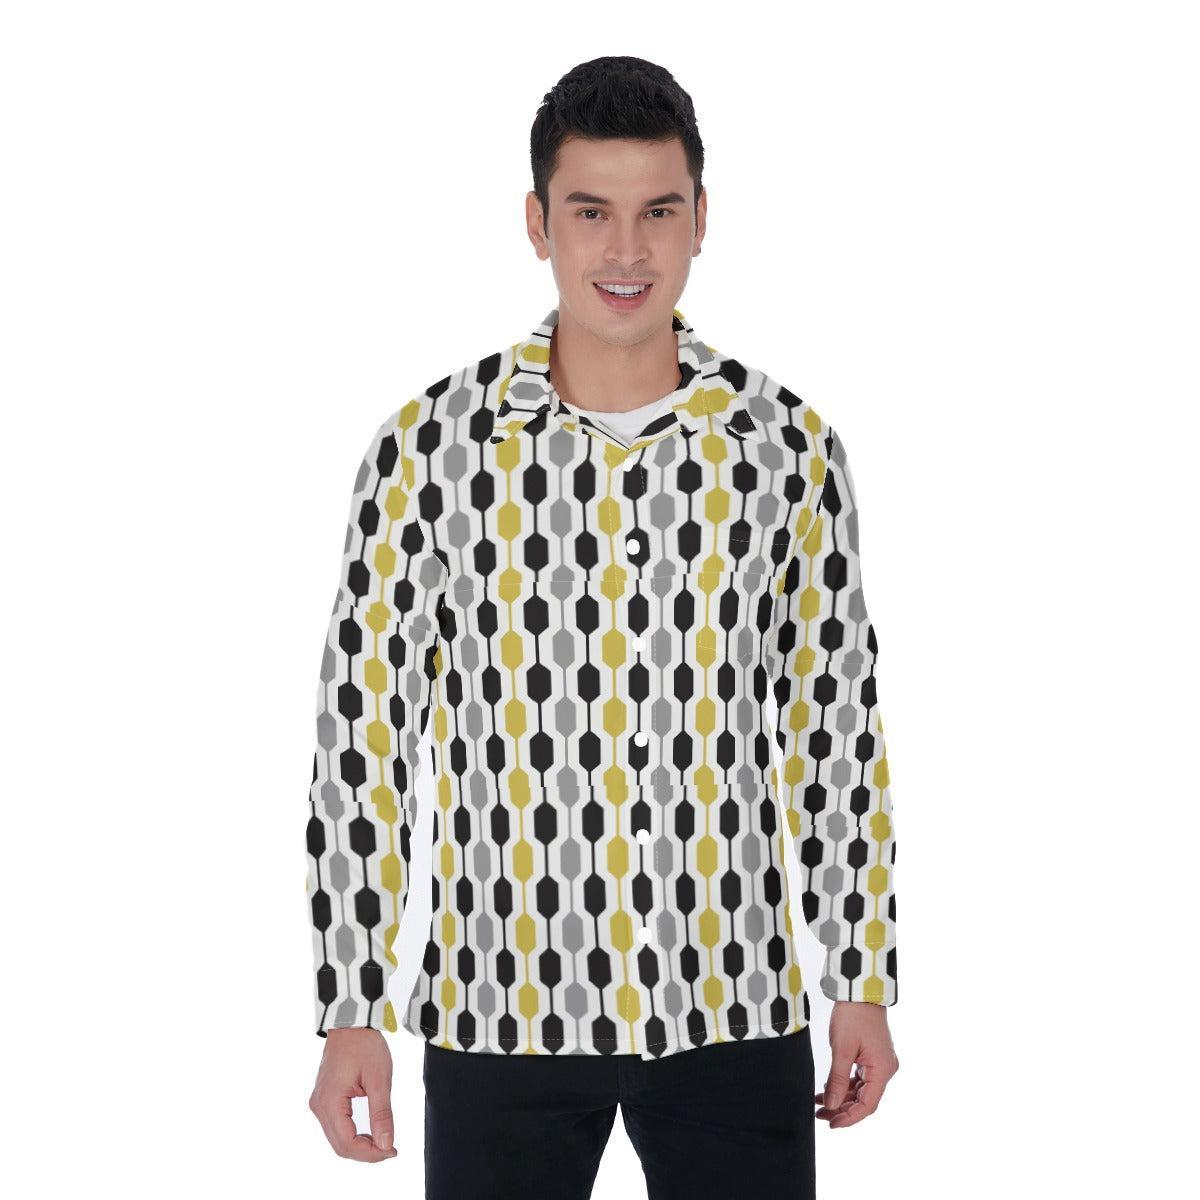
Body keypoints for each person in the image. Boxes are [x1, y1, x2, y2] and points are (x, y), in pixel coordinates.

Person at [305, 55, 900, 1200]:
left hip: (733, 1000)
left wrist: (859, 975)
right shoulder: (430, 451)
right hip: (503, 1006)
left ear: (701, 218)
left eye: (657, 211)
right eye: (590, 212)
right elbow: (366, 739)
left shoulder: (788, 450)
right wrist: (351, 1005)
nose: (626, 250)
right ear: (538, 223)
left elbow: (834, 729)